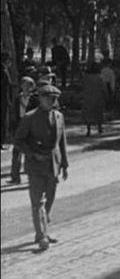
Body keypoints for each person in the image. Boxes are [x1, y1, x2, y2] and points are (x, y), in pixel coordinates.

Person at [13, 84, 69, 251]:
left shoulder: (59, 117)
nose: (51, 101)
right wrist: (31, 154)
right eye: (47, 98)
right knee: (38, 202)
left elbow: (62, 142)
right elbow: (18, 140)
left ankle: (43, 230)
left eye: (54, 99)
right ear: (40, 99)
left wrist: (65, 164)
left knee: (49, 200)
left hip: (53, 164)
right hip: (36, 165)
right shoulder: (30, 118)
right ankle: (42, 235)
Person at [8, 76, 38, 184]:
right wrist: (12, 128)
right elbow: (14, 114)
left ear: (32, 87)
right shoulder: (18, 98)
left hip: (30, 125)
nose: (24, 87)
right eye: (23, 85)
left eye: (27, 85)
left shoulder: (35, 99)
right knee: (16, 152)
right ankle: (15, 177)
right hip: (19, 124)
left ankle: (31, 176)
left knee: (29, 151)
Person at [82, 62, 107, 136]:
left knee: (88, 113)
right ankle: (100, 128)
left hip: (88, 97)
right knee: (98, 112)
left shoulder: (86, 78)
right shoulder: (100, 78)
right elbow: (103, 88)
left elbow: (82, 86)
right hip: (98, 97)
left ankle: (88, 130)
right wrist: (107, 95)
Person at [1, 52, 15, 150]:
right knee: (3, 120)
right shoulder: (3, 72)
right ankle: (1, 141)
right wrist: (8, 101)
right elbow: (5, 89)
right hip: (3, 100)